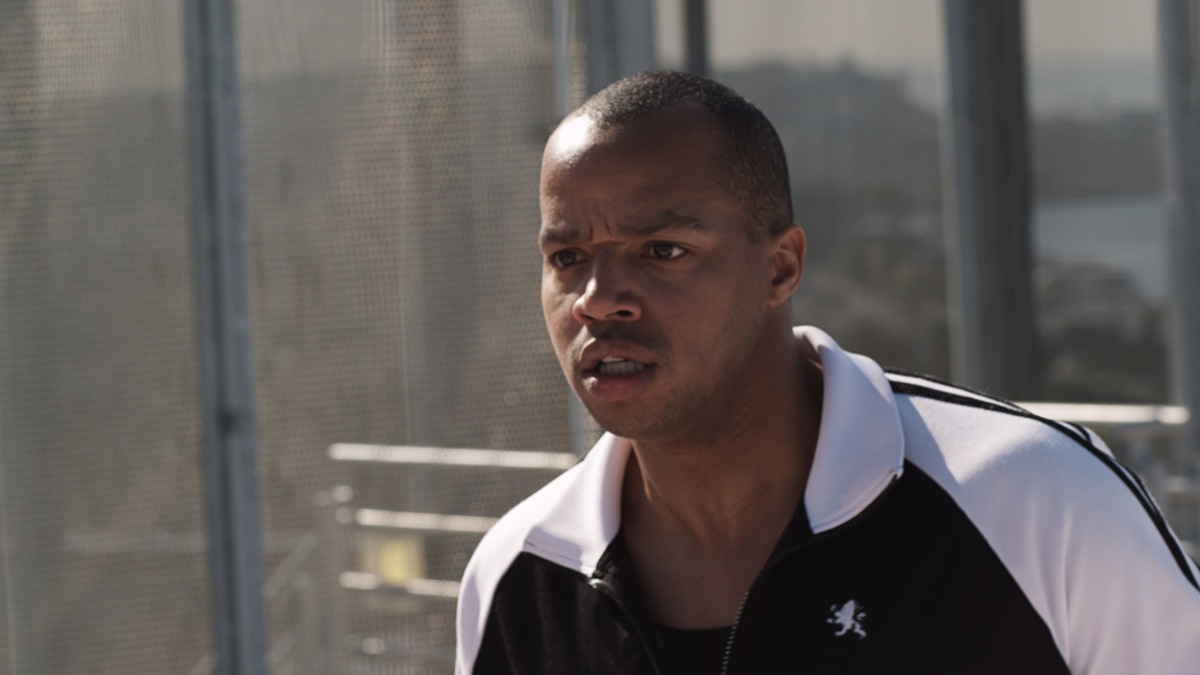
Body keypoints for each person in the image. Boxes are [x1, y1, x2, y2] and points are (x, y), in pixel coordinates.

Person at [454, 71, 1200, 674]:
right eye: (567, 258)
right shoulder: (518, 579)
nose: (597, 299)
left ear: (781, 267)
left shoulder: (1034, 498)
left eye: (663, 251)